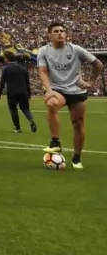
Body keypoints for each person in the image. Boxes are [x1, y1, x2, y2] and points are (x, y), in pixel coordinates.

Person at [38, 22, 104, 170]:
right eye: (56, 31)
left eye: (62, 31)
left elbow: (98, 64)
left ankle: (77, 157)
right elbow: (42, 71)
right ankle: (55, 141)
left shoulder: (76, 49)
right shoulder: (44, 51)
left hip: (76, 91)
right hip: (57, 89)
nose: (60, 33)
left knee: (78, 124)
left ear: (66, 34)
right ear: (49, 35)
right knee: (51, 103)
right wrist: (48, 89)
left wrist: (90, 82)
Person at [0, 51, 37, 134]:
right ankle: (31, 121)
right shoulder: (23, 68)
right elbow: (27, 82)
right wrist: (29, 93)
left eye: (5, 57)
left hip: (12, 93)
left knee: (13, 110)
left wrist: (0, 94)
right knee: (25, 109)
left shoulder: (6, 69)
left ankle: (17, 128)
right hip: (23, 92)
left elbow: (2, 82)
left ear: (7, 58)